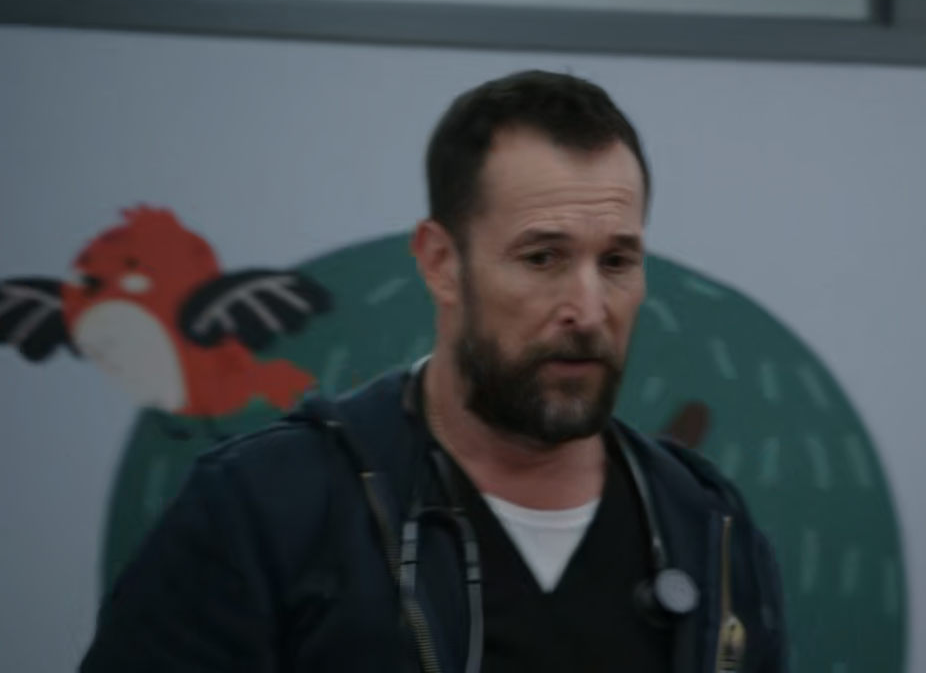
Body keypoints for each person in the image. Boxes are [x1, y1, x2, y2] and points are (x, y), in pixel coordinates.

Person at [79, 70, 790, 673]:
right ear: (442, 263)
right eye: (542, 257)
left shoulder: (705, 523)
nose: (588, 308)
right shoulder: (265, 507)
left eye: (616, 261)